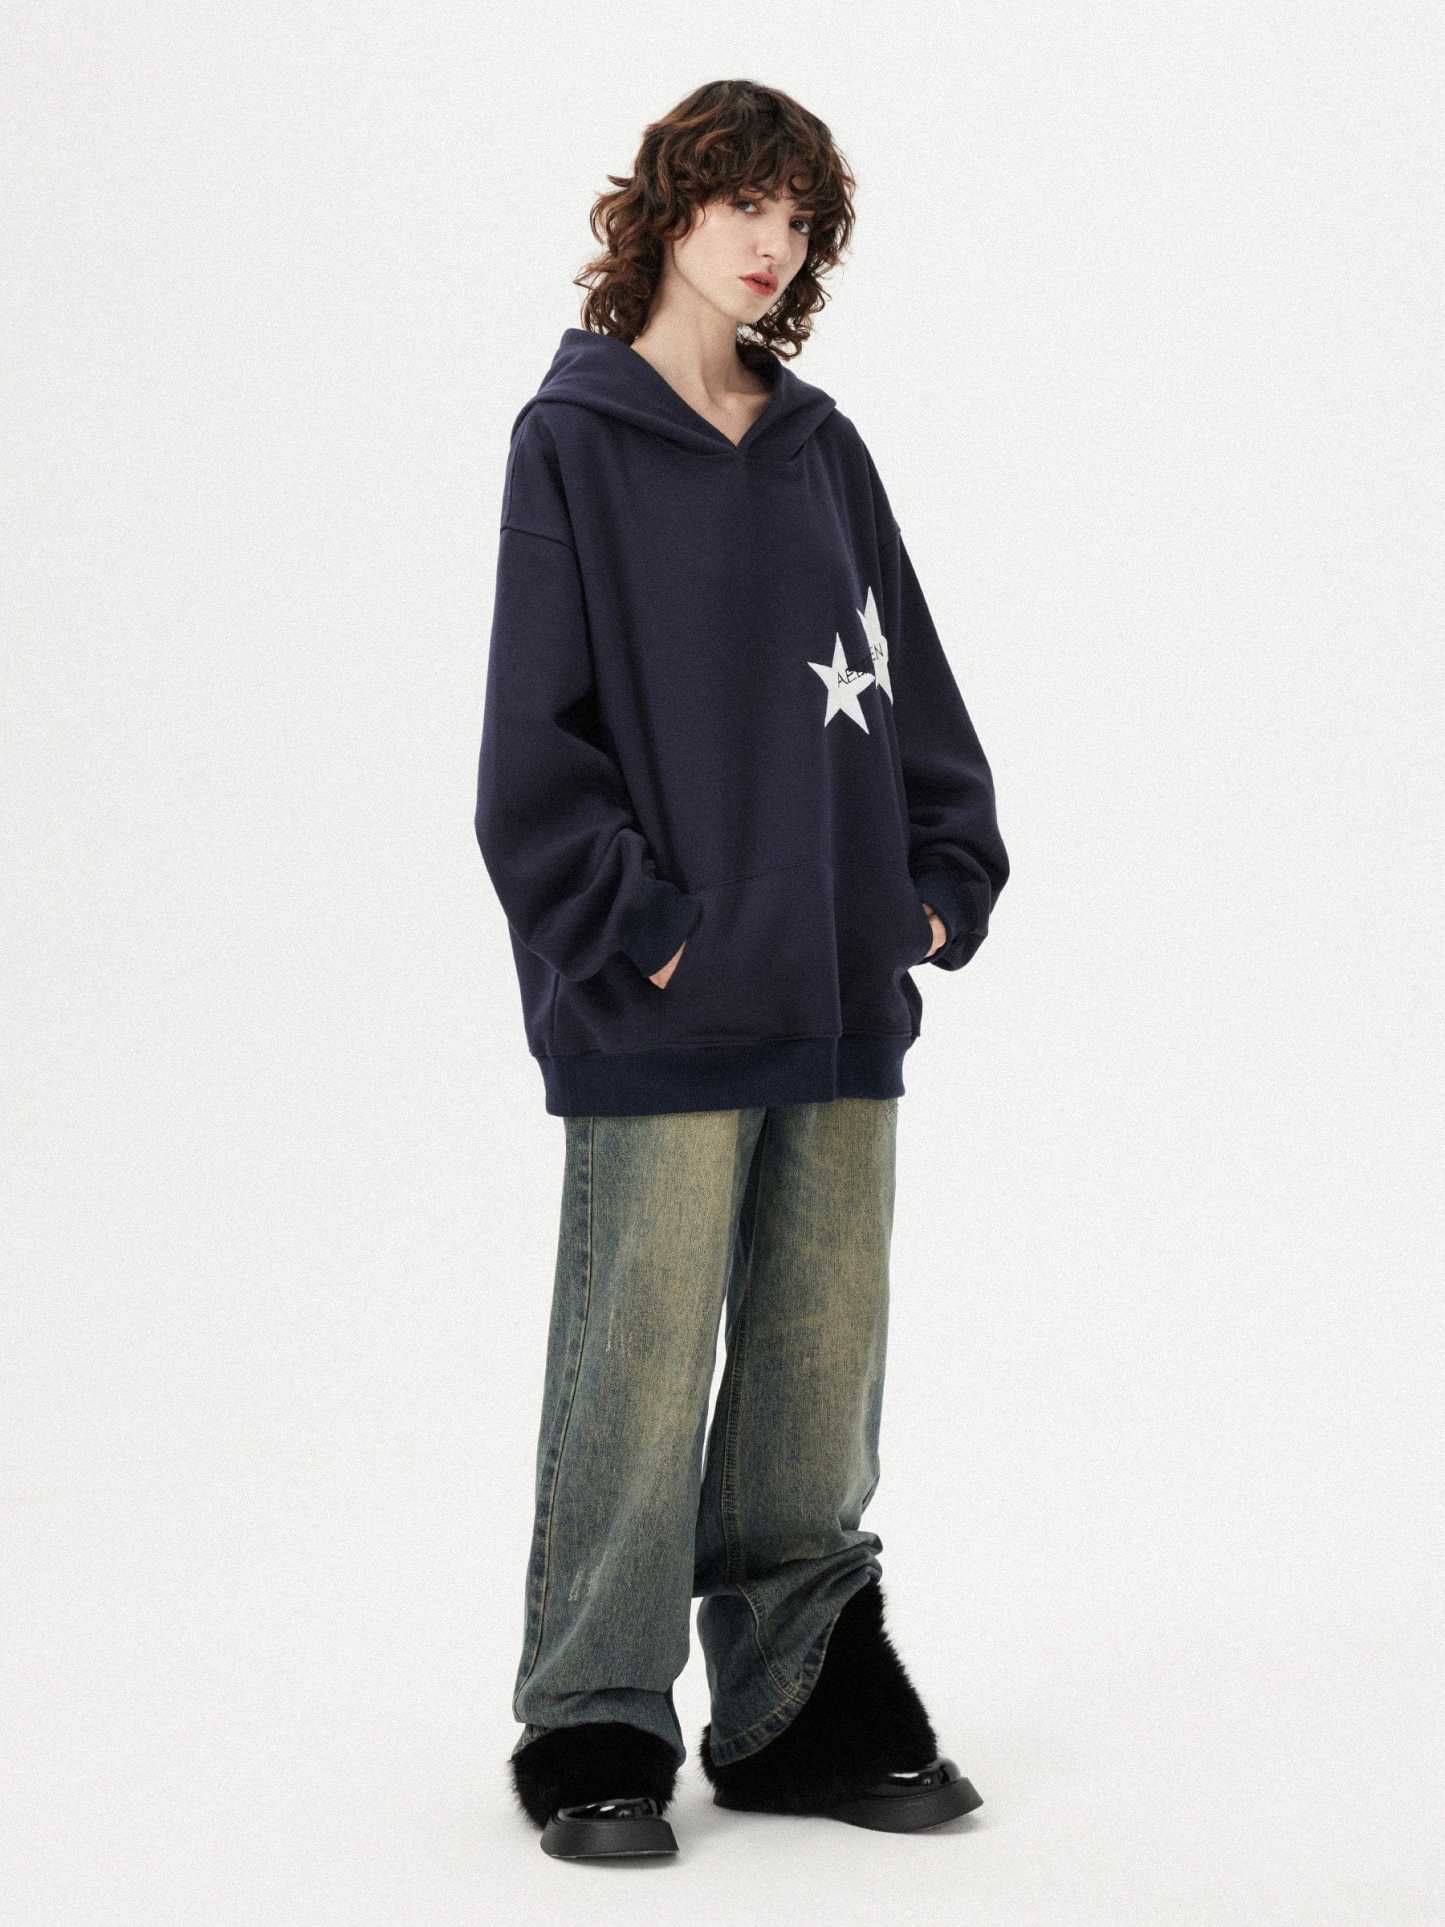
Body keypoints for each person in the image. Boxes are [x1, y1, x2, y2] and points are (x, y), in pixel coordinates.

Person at [474, 78, 1008, 1862]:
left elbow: (906, 678)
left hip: (838, 989)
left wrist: (933, 888)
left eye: (797, 218)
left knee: (813, 1363)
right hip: (663, 997)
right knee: (634, 1366)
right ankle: (594, 1713)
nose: (770, 243)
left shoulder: (820, 448)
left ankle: (795, 1700)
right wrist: (648, 928)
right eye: (741, 203)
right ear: (668, 209)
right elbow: (529, 751)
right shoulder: (573, 442)